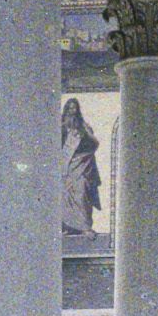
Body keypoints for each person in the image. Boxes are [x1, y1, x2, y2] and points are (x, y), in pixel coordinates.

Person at [61, 97, 102, 236]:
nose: (73, 111)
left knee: (83, 191)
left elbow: (94, 143)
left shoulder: (84, 126)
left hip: (82, 166)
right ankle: (69, 226)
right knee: (65, 195)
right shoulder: (61, 127)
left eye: (75, 108)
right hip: (67, 167)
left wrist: (83, 153)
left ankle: (84, 226)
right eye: (70, 108)